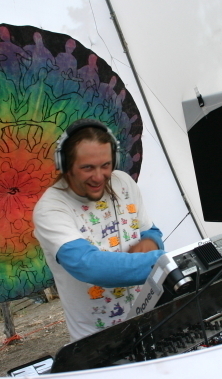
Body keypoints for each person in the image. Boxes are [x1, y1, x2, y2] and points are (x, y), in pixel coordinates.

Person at [33, 119, 165, 341]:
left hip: (150, 320)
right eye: (87, 168)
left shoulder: (123, 183)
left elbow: (151, 231)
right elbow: (89, 266)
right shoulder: (50, 209)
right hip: (99, 340)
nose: (98, 176)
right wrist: (167, 263)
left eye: (105, 165)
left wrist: (151, 243)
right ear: (65, 165)